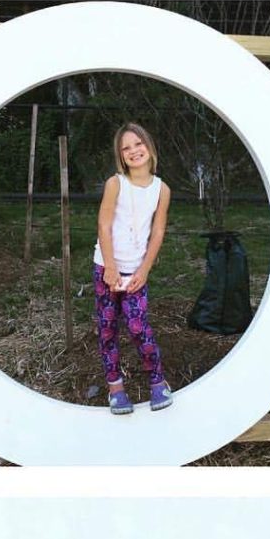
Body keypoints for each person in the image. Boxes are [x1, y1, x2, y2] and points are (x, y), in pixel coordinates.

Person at [93, 123, 173, 415]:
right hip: (108, 268)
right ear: (121, 156)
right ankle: (115, 388)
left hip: (136, 272)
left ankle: (157, 381)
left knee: (138, 326)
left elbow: (159, 232)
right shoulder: (116, 183)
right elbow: (103, 224)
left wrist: (145, 270)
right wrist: (110, 267)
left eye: (137, 144)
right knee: (107, 327)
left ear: (149, 147)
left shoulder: (162, 189)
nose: (133, 151)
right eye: (126, 148)